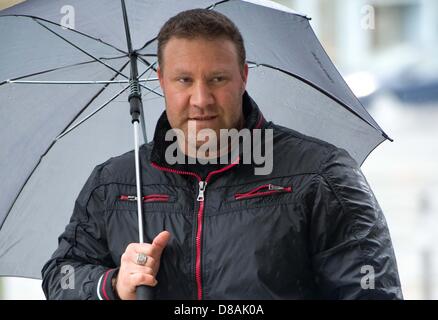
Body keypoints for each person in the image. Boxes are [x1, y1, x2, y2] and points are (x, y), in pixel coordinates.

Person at [42, 9, 403, 300]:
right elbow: (62, 276)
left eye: (217, 79)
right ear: (160, 80)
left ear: (243, 77)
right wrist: (113, 285)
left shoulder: (320, 175)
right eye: (184, 80)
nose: (201, 100)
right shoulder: (113, 183)